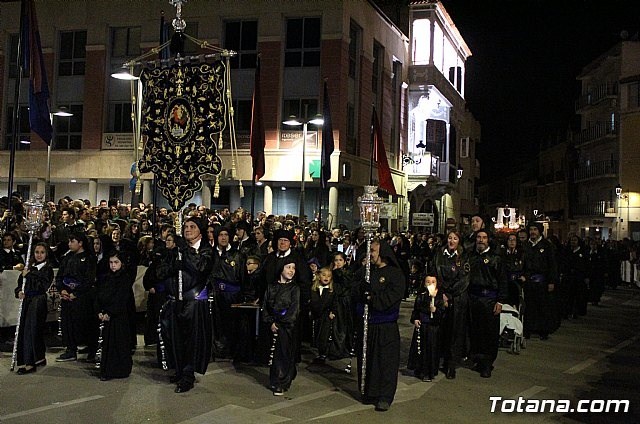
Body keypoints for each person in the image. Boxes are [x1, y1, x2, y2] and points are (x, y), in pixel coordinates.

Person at [157, 217, 214, 393]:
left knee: (192, 341)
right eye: (186, 226)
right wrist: (173, 265)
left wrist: (186, 252)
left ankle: (188, 375)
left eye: (192, 227)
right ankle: (179, 370)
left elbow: (201, 268)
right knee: (176, 339)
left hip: (194, 303)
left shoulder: (207, 251)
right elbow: (160, 272)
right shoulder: (176, 251)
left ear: (200, 231)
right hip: (175, 301)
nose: (188, 229)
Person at [355, 239, 405, 412]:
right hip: (368, 325)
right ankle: (370, 391)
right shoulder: (367, 272)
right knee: (368, 359)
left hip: (385, 326)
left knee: (385, 362)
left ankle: (385, 395)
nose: (370, 255)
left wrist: (371, 298)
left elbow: (390, 299)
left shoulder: (395, 274)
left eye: (373, 251)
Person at [467, 229, 508, 378]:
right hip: (473, 299)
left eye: (484, 238)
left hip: (489, 300)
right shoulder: (470, 257)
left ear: (488, 240)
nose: (481, 240)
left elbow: (503, 280)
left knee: (489, 333)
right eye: (478, 237)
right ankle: (477, 358)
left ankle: (487, 363)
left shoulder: (496, 258)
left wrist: (500, 301)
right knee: (475, 331)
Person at [432, 230, 469, 379]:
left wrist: (451, 295)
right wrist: (442, 294)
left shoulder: (463, 257)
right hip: (442, 297)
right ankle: (436, 360)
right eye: (449, 238)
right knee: (440, 331)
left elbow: (464, 280)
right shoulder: (439, 255)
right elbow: (434, 273)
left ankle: (451, 364)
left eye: (455, 238)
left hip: (457, 300)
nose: (451, 241)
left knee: (455, 332)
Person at [55, 232, 98, 362]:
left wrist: (77, 293)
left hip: (83, 298)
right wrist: (62, 289)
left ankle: (91, 350)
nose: (69, 244)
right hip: (67, 296)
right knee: (68, 323)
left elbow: (89, 279)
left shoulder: (90, 259)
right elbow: (60, 276)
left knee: (85, 323)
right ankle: (70, 349)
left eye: (72, 241)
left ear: (80, 243)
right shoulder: (67, 258)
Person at [13, 242, 54, 374]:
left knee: (31, 330)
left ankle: (30, 363)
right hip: (27, 301)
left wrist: (28, 275)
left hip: (38, 301)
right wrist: (19, 291)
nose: (39, 255)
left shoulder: (47, 269)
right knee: (26, 330)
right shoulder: (30, 267)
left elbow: (43, 285)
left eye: (42, 252)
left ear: (46, 254)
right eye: (37, 252)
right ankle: (39, 357)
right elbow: (20, 284)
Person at [262, 257, 300, 396]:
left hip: (287, 325)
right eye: (288, 267)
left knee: (283, 353)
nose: (291, 271)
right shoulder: (271, 286)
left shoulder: (294, 288)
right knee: (273, 353)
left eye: (293, 268)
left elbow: (294, 309)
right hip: (273, 322)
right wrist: (270, 321)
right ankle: (274, 378)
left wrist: (280, 323)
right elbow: (265, 306)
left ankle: (282, 382)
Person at [95, 251, 135, 381]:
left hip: (119, 317)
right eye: (111, 262)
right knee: (107, 344)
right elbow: (99, 295)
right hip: (106, 315)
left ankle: (119, 369)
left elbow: (122, 298)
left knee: (118, 343)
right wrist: (99, 311)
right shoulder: (106, 278)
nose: (113, 265)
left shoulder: (125, 279)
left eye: (116, 262)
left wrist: (110, 313)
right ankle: (107, 369)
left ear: (121, 264)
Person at [522, 222, 558, 340]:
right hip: (529, 281)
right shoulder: (525, 246)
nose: (532, 232)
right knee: (529, 307)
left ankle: (543, 330)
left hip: (542, 282)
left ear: (540, 231)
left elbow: (552, 264)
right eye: (531, 229)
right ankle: (528, 329)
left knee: (543, 307)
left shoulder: (547, 246)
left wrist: (551, 281)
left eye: (535, 230)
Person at [407, 275, 445, 382]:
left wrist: (436, 310)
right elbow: (416, 310)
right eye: (428, 281)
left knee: (431, 350)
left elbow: (442, 313)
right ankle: (419, 369)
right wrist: (415, 319)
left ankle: (430, 371)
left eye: (433, 282)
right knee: (420, 349)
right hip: (422, 326)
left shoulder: (439, 296)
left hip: (433, 328)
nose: (430, 284)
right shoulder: (421, 295)